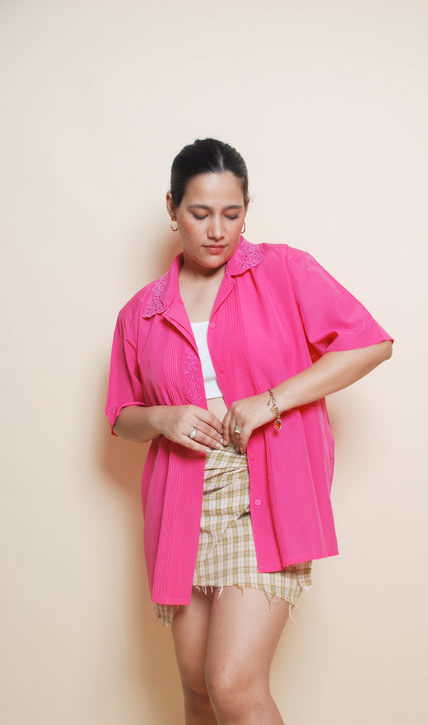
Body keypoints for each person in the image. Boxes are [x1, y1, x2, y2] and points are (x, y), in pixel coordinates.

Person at [105, 138, 393, 724]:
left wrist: (271, 401)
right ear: (171, 208)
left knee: (233, 684)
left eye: (232, 214)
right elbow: (122, 415)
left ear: (247, 209)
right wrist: (165, 418)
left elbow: (371, 344)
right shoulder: (142, 310)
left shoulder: (283, 270)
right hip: (182, 496)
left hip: (262, 489)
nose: (217, 230)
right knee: (198, 692)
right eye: (199, 213)